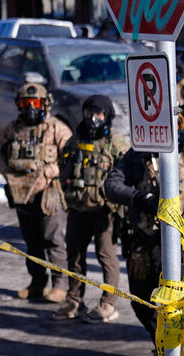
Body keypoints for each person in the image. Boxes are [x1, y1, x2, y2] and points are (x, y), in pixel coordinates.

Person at [104, 119, 184, 356]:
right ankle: (164, 349)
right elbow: (111, 185)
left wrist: (181, 225)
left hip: (176, 246)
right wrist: (139, 198)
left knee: (169, 308)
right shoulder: (137, 154)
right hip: (142, 242)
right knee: (142, 304)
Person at [54, 95, 130, 323]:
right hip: (77, 209)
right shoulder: (76, 140)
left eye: (98, 114)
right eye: (89, 113)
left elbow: (128, 176)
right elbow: (63, 166)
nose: (93, 118)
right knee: (74, 257)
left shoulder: (116, 142)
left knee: (106, 256)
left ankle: (108, 303)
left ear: (107, 116)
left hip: (104, 212)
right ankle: (74, 300)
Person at [0, 82, 73, 303]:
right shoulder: (13, 129)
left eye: (35, 103)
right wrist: (10, 176)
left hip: (49, 193)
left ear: (45, 104)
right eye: (25, 103)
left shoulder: (56, 128)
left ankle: (60, 285)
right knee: (31, 241)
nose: (31, 108)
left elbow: (70, 157)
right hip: (21, 193)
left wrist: (52, 171)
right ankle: (38, 283)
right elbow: (0, 154)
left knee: (53, 239)